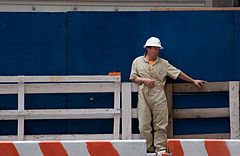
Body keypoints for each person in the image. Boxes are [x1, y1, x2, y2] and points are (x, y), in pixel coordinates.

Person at [129, 37, 206, 155]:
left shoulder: (163, 63)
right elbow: (133, 77)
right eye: (156, 49)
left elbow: (177, 73)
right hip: (143, 95)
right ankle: (149, 150)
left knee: (160, 124)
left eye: (158, 49)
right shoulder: (137, 61)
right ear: (148, 49)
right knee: (143, 125)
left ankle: (160, 150)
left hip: (159, 95)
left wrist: (193, 80)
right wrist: (144, 80)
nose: (158, 51)